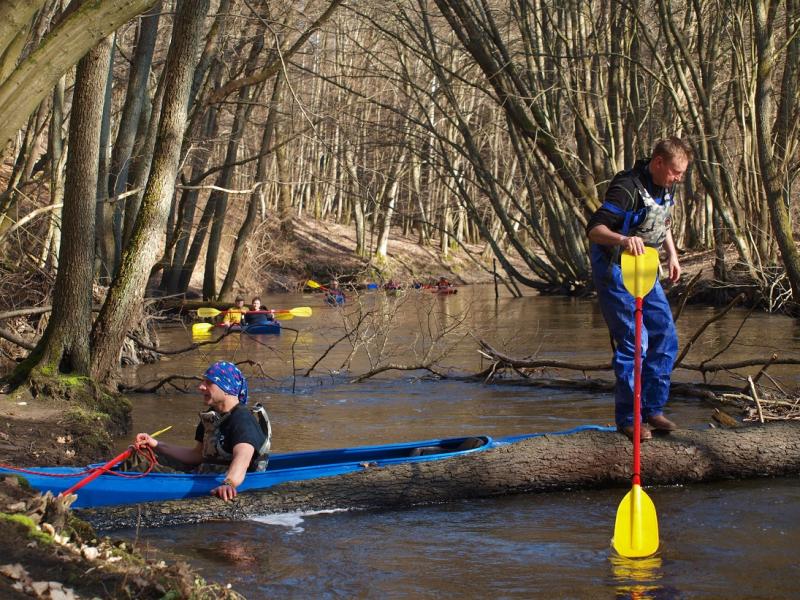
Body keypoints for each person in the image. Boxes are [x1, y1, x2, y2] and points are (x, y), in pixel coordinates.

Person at [586, 136, 693, 442]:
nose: (679, 178)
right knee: (636, 342)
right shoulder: (627, 188)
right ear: (658, 163)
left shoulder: (664, 184)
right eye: (676, 172)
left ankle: (652, 409)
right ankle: (628, 419)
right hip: (614, 269)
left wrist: (671, 254)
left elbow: (663, 222)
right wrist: (622, 240)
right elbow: (595, 229)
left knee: (665, 336)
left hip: (645, 269)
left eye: (682, 174)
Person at [134, 361, 270, 501]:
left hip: (225, 480)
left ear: (227, 388)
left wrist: (229, 484)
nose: (201, 387)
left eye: (209, 383)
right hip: (204, 473)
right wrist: (155, 444)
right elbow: (197, 455)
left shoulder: (242, 419)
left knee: (140, 467)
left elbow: (242, 459)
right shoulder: (212, 415)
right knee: (141, 456)